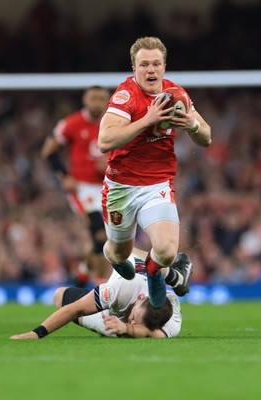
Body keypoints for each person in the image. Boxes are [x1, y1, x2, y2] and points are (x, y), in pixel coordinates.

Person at [98, 36, 211, 308]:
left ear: (164, 67)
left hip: (157, 184)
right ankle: (114, 255)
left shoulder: (176, 94)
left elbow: (206, 137)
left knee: (166, 250)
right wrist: (147, 120)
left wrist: (192, 126)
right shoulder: (125, 96)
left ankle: (153, 272)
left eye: (156, 64)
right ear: (134, 68)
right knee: (119, 253)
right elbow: (104, 141)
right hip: (121, 187)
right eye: (144, 64)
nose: (151, 70)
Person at [9, 249, 193, 340]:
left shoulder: (172, 320)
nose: (133, 322)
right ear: (140, 299)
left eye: (137, 323)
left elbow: (153, 335)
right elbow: (76, 308)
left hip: (110, 316)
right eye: (135, 318)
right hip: (126, 279)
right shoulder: (121, 289)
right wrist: (36, 333)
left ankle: (172, 275)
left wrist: (127, 328)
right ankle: (175, 276)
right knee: (59, 296)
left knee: (118, 332)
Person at [41, 86, 112, 286]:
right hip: (82, 189)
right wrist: (64, 176)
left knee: (108, 240)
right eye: (93, 98)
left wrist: (111, 163)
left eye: (101, 98)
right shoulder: (71, 124)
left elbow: (127, 153)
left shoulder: (115, 124)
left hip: (108, 188)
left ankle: (81, 276)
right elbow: (49, 151)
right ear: (85, 100)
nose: (97, 102)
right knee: (100, 236)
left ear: (107, 101)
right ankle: (102, 289)